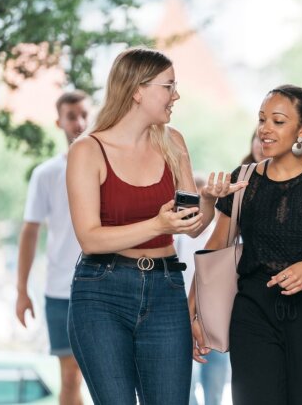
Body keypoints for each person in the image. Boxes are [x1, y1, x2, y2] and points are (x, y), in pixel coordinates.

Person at [65, 47, 244, 405]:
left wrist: (209, 200)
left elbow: (191, 227)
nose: (176, 95)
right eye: (168, 86)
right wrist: (156, 223)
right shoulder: (88, 150)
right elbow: (90, 238)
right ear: (137, 90)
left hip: (165, 289)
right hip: (102, 292)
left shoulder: (172, 142)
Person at [190, 84, 302, 405]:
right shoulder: (243, 180)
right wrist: (193, 311)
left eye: (278, 121)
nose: (265, 129)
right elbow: (215, 248)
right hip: (252, 313)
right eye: (262, 119)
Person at [15, 90, 89, 405]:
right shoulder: (45, 174)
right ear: (59, 121)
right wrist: (21, 291)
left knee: (107, 375)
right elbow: (29, 232)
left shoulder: (110, 169)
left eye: (84, 114)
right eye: (72, 116)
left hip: (105, 285)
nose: (80, 122)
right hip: (60, 291)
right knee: (70, 376)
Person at [177, 174, 230, 405]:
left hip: (217, 316)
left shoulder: (224, 234)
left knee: (215, 385)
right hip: (184, 311)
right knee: (184, 384)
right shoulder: (178, 237)